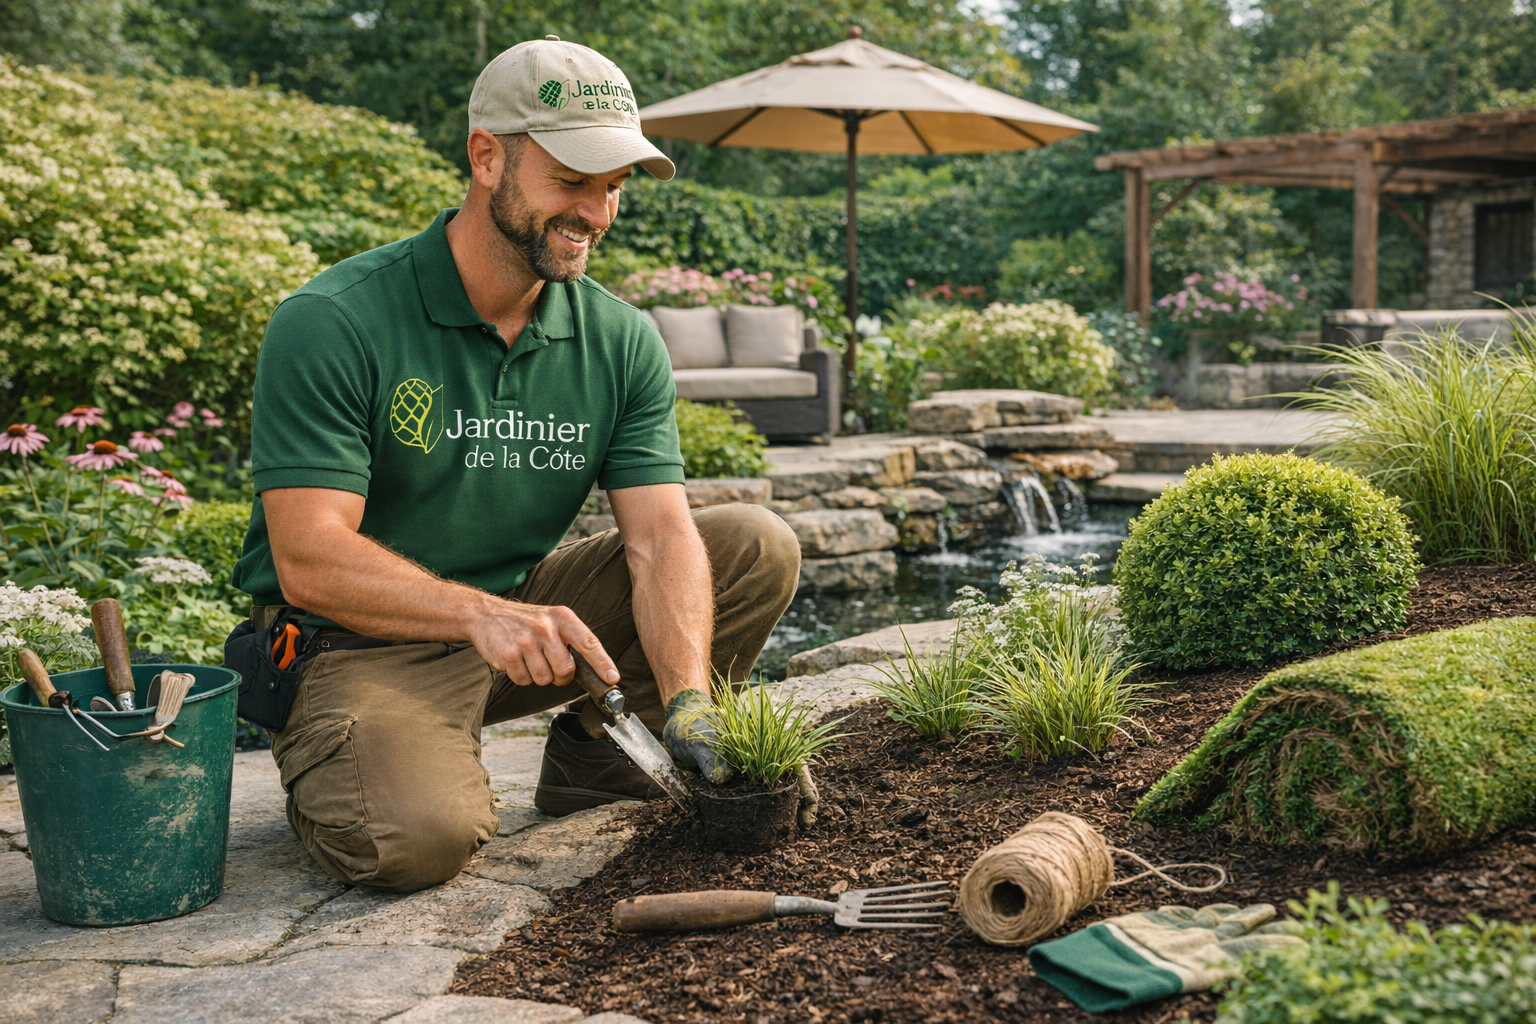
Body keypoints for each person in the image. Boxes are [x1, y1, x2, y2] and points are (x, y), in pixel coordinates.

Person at [230, 36, 800, 892]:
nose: (598, 213)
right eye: (573, 179)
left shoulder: (619, 339)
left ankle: (600, 755)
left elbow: (659, 537)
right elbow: (308, 557)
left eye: (614, 187)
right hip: (354, 646)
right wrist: (477, 616)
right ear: (487, 156)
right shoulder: (334, 320)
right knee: (419, 842)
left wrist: (688, 698)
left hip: (518, 627)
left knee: (752, 545)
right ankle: (361, 754)